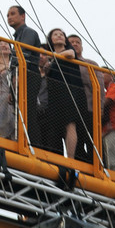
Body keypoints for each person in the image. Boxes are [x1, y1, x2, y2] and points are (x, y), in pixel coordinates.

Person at [44, 28, 83, 159]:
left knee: (70, 124)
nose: (59, 36)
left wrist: (53, 57)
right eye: (55, 34)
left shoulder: (68, 51)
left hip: (69, 93)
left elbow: (71, 54)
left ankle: (70, 159)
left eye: (61, 34)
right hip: (54, 94)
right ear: (51, 40)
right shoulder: (50, 59)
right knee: (54, 127)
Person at [7, 5, 42, 147]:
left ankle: (33, 145)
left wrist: (18, 75)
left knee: (27, 111)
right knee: (21, 111)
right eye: (8, 15)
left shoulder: (28, 32)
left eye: (12, 14)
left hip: (28, 74)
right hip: (21, 74)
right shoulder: (18, 35)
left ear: (23, 16)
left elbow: (23, 55)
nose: (9, 17)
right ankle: (25, 142)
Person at [68, 34, 104, 162]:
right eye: (72, 42)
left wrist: (100, 107)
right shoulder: (63, 62)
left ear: (82, 46)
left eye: (77, 42)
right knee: (76, 142)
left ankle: (98, 166)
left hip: (90, 108)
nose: (75, 44)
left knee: (93, 142)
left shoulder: (90, 64)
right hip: (71, 108)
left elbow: (99, 87)